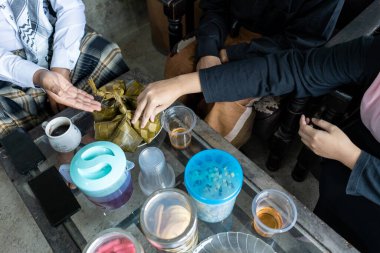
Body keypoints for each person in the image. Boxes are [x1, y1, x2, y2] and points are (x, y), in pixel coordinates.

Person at [133, 35, 380, 251]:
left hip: (365, 183)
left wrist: (352, 157)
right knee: (323, 232)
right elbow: (289, 69)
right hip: (344, 170)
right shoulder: (372, 52)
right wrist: (181, 84)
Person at [165, 0, 344, 147]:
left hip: (277, 55)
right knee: (179, 64)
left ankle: (205, 158)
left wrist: (232, 54)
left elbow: (301, 44)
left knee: (227, 97)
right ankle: (171, 128)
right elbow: (215, 6)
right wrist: (208, 51)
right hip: (231, 28)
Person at [0, 0, 129, 138]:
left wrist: (61, 68)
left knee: (105, 54)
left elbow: (71, 7)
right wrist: (38, 75)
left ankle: (118, 130)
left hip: (50, 38)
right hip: (6, 69)